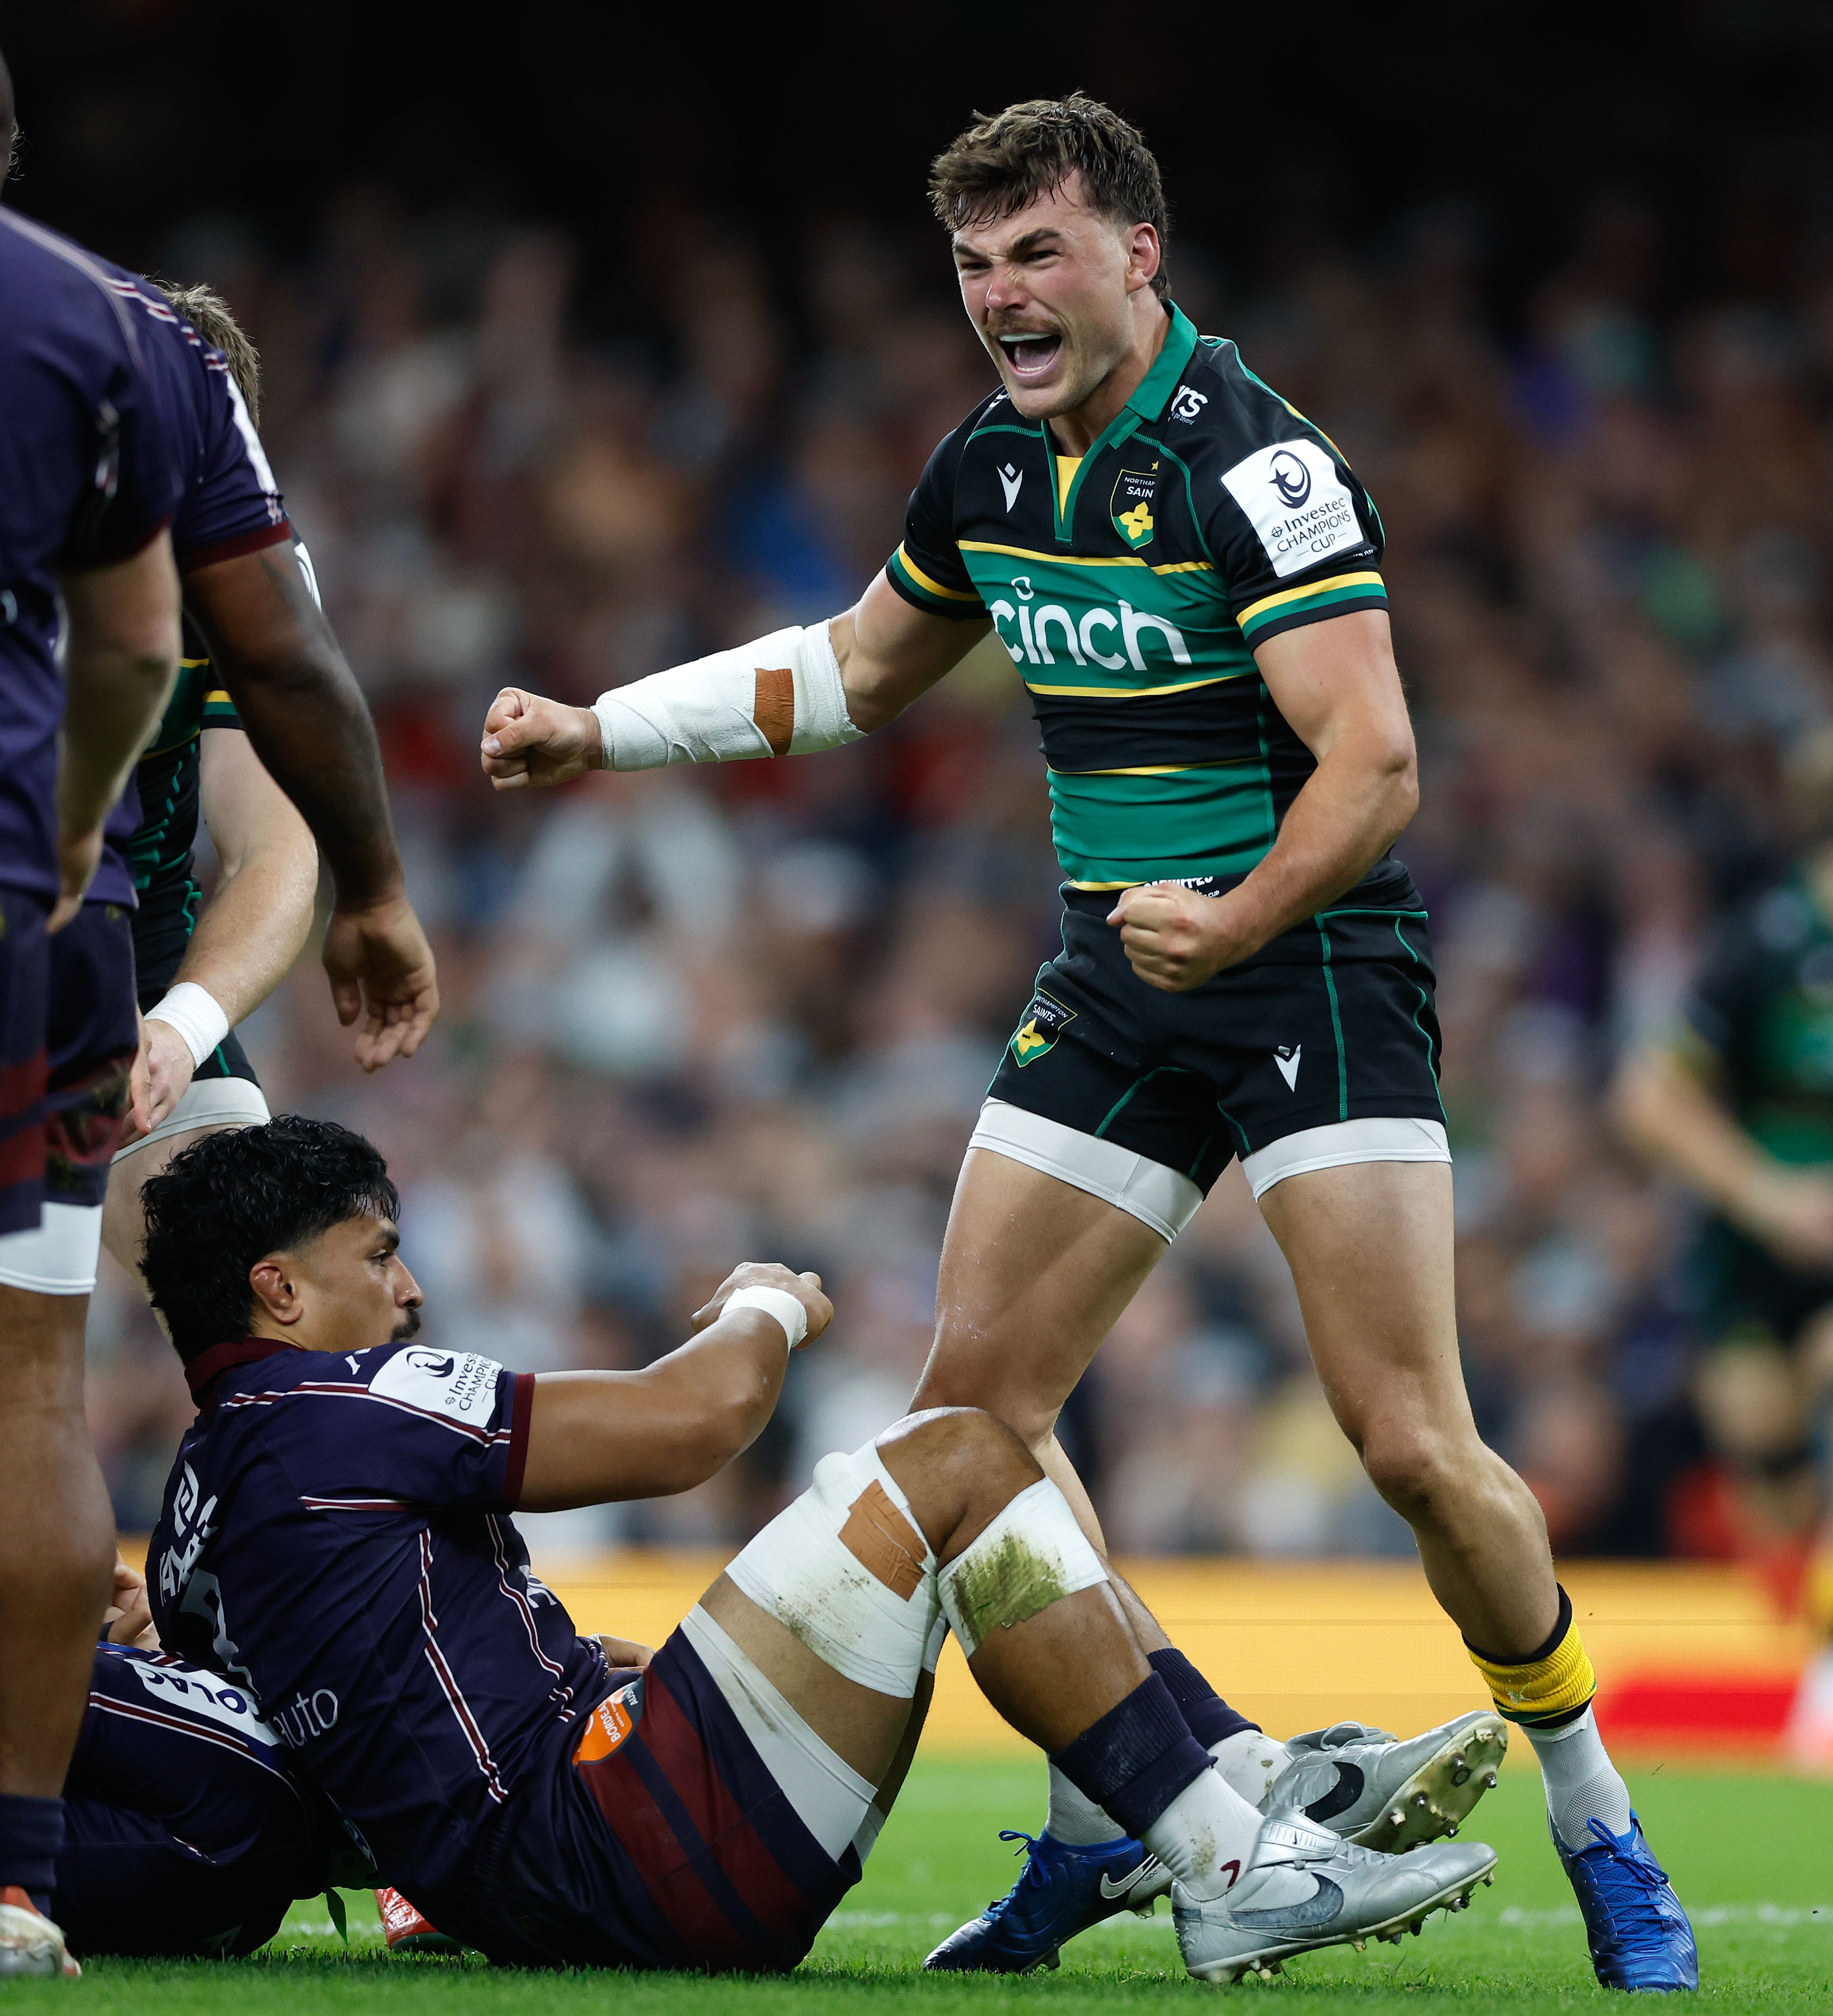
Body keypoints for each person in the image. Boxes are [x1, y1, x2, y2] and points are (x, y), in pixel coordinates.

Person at [475, 94, 1695, 1991]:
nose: (998, 298)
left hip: (1309, 966)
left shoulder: (1260, 467)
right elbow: (860, 671)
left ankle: (1599, 1814)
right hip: (1119, 976)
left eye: (1033, 252)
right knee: (977, 1424)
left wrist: (1239, 914)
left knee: (1411, 1445)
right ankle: (1110, 1827)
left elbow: (1375, 767)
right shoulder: (983, 467)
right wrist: (602, 726)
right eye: (972, 265)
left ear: (1138, 252)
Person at [137, 1115, 1496, 1981]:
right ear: (279, 1285)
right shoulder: (339, 1398)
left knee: (983, 1445)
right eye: (378, 1254)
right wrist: (761, 1304)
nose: (408, 1286)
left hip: (554, 1866)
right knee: (961, 1447)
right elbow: (692, 1421)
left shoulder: (200, 1501)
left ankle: (1191, 1787)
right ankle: (1227, 1855)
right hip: (609, 1836)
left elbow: (310, 1746)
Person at [0, 54, 186, 1975]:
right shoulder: (88, 323)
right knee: (25, 1395)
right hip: (34, 921)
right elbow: (146, 644)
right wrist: (68, 843)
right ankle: (14, 1876)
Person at [1616, 727, 1833, 1765]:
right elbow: (1648, 1098)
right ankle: (1810, 1655)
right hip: (1753, 1250)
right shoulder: (1763, 944)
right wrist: (1765, 1191)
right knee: (1764, 1453)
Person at [98, 283, 317, 1271]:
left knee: (267, 1289)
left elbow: (274, 847)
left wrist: (178, 1032)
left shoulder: (247, 571)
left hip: (123, 952)